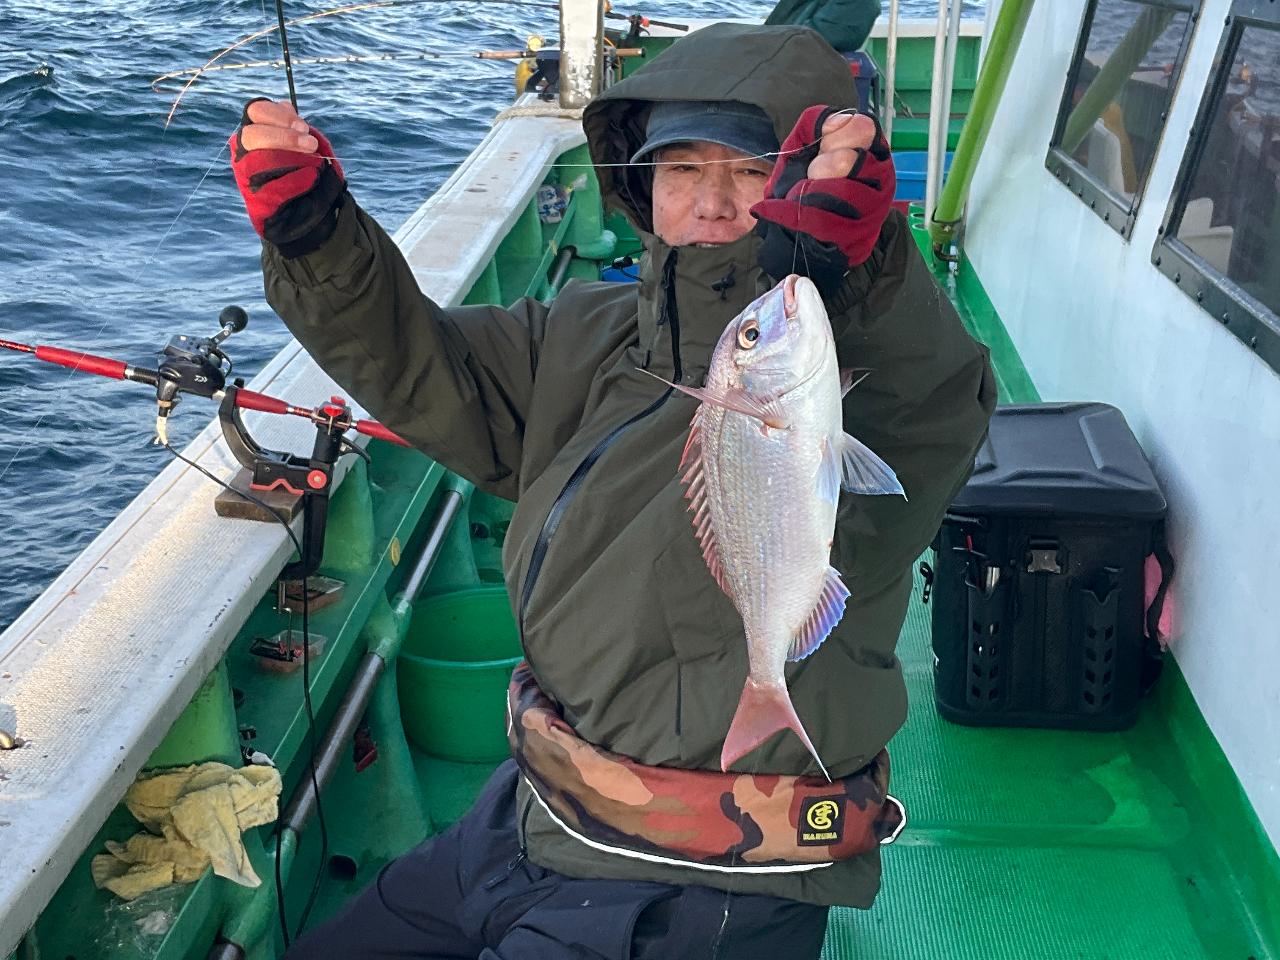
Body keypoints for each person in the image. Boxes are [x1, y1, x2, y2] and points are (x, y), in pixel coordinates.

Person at [231, 23, 995, 959]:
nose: (713, 203)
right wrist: (317, 239)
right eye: (681, 168)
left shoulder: (854, 367)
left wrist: (866, 271)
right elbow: (423, 366)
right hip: (533, 814)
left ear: (802, 184)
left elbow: (931, 406)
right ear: (641, 186)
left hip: (701, 885)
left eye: (752, 171)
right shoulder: (584, 333)